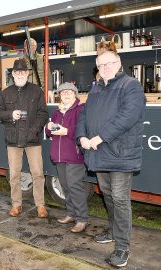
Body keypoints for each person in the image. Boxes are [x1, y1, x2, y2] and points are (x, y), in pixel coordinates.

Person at [76, 41, 146, 268]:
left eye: (109, 63)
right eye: (100, 65)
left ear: (119, 63)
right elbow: (84, 115)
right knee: (107, 194)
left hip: (120, 153)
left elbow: (127, 117)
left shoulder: (131, 85)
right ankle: (114, 231)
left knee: (120, 198)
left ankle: (123, 247)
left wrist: (100, 136)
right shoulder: (96, 88)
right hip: (99, 151)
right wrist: (82, 137)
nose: (104, 68)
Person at [0, 59, 49, 218]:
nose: (20, 74)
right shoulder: (6, 93)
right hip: (13, 139)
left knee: (38, 173)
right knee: (14, 174)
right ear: (13, 74)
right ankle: (16, 204)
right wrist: (10, 115)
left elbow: (43, 113)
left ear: (27, 73)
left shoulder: (36, 91)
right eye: (17, 72)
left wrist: (33, 130)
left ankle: (40, 205)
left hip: (32, 139)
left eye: (23, 71)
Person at [45, 82, 88, 233]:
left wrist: (67, 131)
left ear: (75, 94)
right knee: (65, 186)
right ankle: (71, 213)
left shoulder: (81, 109)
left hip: (74, 155)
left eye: (69, 92)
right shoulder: (58, 111)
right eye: (63, 93)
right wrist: (48, 128)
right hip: (59, 155)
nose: (66, 95)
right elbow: (49, 131)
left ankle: (82, 219)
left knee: (75, 187)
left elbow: (84, 129)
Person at [22, 38, 54, 102]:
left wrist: (49, 89)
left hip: (40, 91)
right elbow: (16, 75)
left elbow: (48, 74)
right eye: (27, 46)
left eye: (32, 45)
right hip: (25, 92)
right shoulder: (20, 60)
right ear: (24, 47)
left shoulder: (42, 58)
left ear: (35, 47)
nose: (29, 48)